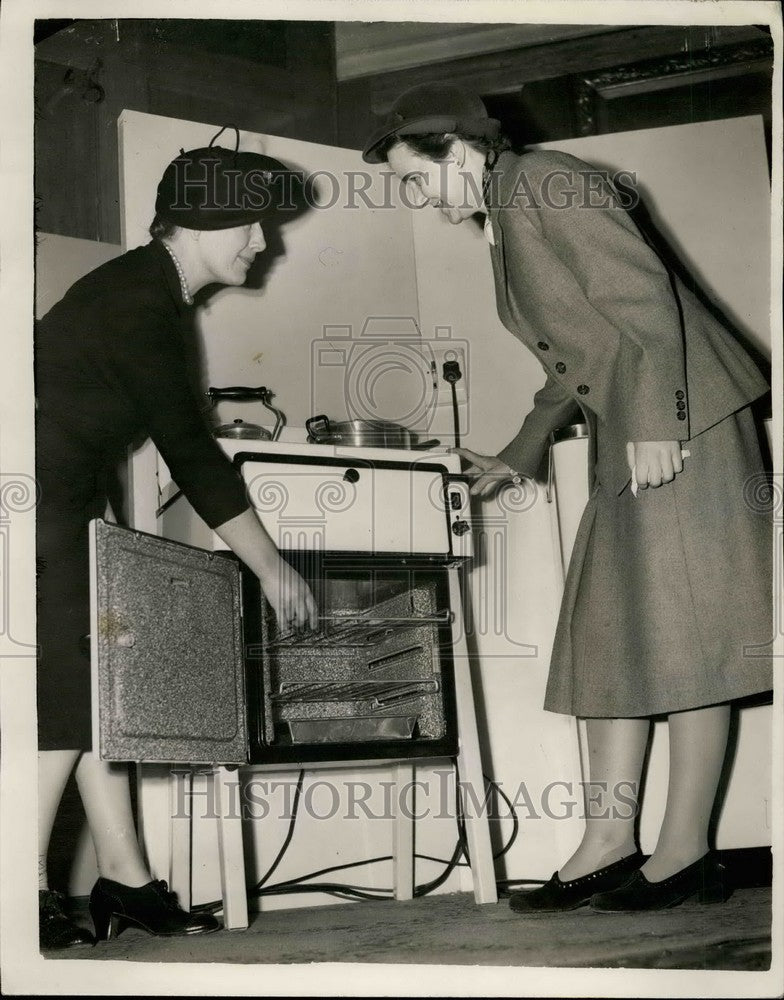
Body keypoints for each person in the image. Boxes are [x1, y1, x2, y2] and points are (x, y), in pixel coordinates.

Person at [362, 85, 772, 912]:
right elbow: (573, 359)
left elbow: (642, 299)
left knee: (691, 640)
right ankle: (609, 842)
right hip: (640, 420)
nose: (415, 197)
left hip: (682, 416)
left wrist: (659, 423)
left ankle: (685, 849)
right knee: (617, 633)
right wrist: (519, 456)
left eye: (416, 179)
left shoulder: (548, 181)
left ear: (463, 151)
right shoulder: (507, 213)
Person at [35, 127, 317, 947]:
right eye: (247, 227)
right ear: (193, 226)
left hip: (58, 501)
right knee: (65, 708)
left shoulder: (147, 292)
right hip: (31, 504)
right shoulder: (138, 300)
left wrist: (104, 529)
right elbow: (189, 448)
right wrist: (269, 567)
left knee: (94, 701)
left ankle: (125, 882)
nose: (260, 245)